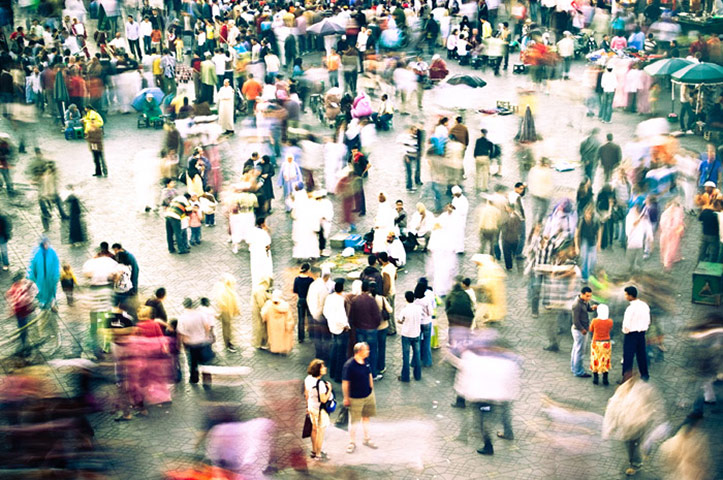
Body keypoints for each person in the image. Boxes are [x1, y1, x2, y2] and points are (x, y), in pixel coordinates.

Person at [341, 342, 379, 454]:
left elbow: (369, 374)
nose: (368, 352)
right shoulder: (349, 365)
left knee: (366, 417)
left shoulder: (366, 361)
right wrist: (346, 398)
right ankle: (352, 442)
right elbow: (345, 383)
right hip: (355, 398)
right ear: (359, 351)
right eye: (366, 350)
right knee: (354, 421)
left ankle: (366, 438)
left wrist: (371, 388)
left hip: (368, 395)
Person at [349, 282, 382, 380]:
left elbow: (352, 316)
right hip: (371, 329)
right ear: (368, 289)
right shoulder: (371, 300)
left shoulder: (355, 300)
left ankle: (361, 373)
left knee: (360, 352)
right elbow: (377, 316)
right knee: (372, 352)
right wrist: (375, 325)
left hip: (359, 329)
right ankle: (373, 374)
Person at [176, 297, 214, 384]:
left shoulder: (182, 317)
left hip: (191, 344)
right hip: (202, 342)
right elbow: (207, 327)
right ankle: (206, 380)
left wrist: (181, 344)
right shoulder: (201, 315)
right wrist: (207, 336)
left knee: (192, 362)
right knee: (204, 361)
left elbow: (181, 332)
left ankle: (194, 378)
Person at [304, 359, 332, 461]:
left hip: (311, 407)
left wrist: (307, 407)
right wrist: (329, 389)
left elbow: (306, 394)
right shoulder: (320, 384)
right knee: (321, 431)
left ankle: (314, 450)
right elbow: (324, 399)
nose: (325, 368)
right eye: (323, 367)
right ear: (318, 370)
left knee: (314, 429)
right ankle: (318, 454)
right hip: (320, 410)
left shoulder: (308, 379)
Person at [5, 271, 38, 356]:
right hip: (22, 311)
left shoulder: (15, 287)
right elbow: (23, 299)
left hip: (20, 311)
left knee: (22, 324)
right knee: (23, 326)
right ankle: (24, 343)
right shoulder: (21, 288)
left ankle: (23, 337)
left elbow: (10, 296)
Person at [621, 286, 650, 382]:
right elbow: (648, 320)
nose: (625, 296)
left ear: (630, 296)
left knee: (628, 357)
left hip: (631, 335)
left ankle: (626, 378)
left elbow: (626, 324)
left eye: (626, 294)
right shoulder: (644, 305)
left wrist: (625, 331)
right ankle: (644, 374)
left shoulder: (630, 309)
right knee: (641, 355)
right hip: (641, 334)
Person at [27, 236, 60, 310]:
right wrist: (31, 276)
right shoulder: (36, 253)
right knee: (41, 289)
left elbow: (56, 264)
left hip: (50, 276)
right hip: (40, 276)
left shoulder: (52, 252)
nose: (46, 245)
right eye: (45, 244)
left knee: (52, 288)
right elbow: (32, 265)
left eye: (47, 243)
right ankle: (43, 301)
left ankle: (52, 300)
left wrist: (56, 275)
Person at [571, 286, 597, 378]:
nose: (589, 298)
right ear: (582, 294)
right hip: (579, 331)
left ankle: (574, 368)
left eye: (590, 296)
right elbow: (575, 321)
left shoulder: (584, 301)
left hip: (581, 330)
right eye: (587, 296)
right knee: (580, 351)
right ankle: (579, 371)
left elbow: (587, 308)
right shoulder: (577, 304)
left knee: (576, 349)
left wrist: (592, 308)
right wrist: (583, 330)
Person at [398, 291, 423, 382]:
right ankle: (417, 375)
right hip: (416, 333)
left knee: (406, 356)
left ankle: (405, 377)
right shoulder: (419, 308)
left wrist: (403, 320)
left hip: (406, 334)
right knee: (417, 354)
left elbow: (399, 320)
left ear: (406, 299)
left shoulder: (404, 310)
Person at [213, 274, 241, 353]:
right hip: (226, 313)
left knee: (230, 328)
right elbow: (222, 304)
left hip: (230, 312)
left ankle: (230, 342)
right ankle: (228, 344)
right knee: (226, 329)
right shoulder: (223, 292)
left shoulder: (229, 290)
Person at [261, 290, 295, 355]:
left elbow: (264, 313)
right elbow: (289, 317)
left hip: (272, 325)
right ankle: (281, 348)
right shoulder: (285, 305)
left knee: (273, 337)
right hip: (282, 325)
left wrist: (265, 319)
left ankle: (274, 349)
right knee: (282, 337)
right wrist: (289, 326)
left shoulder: (269, 304)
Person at [589, 304, 613, 385]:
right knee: (605, 360)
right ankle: (605, 379)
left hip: (596, 343)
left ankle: (595, 378)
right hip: (606, 343)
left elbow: (591, 329)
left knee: (595, 359)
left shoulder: (594, 321)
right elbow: (610, 329)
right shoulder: (610, 321)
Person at [293, 263, 314, 344]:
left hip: (301, 300)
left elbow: (295, 290)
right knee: (310, 318)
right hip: (309, 300)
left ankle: (300, 338)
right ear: (308, 270)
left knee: (301, 319)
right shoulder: (310, 280)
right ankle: (311, 335)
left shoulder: (297, 279)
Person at [251, 277, 273, 350]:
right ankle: (260, 343)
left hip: (258, 309)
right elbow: (261, 303)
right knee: (261, 326)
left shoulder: (261, 288)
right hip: (259, 310)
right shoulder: (260, 290)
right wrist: (264, 311)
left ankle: (261, 342)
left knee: (261, 326)